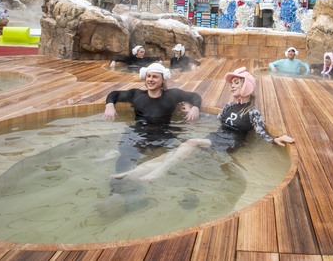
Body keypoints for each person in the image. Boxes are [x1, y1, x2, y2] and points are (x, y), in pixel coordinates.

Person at [112, 66, 295, 181]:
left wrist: (274, 139)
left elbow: (261, 131)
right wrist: (193, 111)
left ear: (246, 87)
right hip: (215, 137)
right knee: (176, 152)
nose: (232, 86)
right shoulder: (229, 105)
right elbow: (216, 120)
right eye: (232, 84)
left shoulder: (252, 111)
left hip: (230, 142)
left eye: (237, 83)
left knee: (189, 143)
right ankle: (133, 173)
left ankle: (156, 174)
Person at [97, 63, 202, 217]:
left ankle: (141, 194)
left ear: (162, 79)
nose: (151, 80)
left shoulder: (172, 95)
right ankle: (117, 194)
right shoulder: (136, 95)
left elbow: (194, 96)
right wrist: (110, 105)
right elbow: (114, 94)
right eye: (149, 76)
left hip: (163, 134)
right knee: (126, 156)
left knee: (168, 158)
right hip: (138, 133)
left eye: (155, 77)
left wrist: (195, 107)